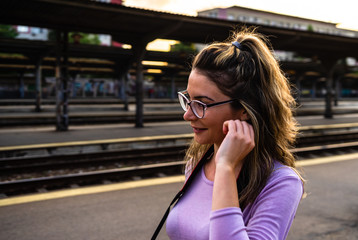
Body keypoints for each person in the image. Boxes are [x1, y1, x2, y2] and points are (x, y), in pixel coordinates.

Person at [165, 27, 304, 240]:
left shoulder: (280, 183)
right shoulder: (197, 163)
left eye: (201, 104)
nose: (188, 115)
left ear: (244, 110)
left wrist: (226, 169)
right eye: (188, 100)